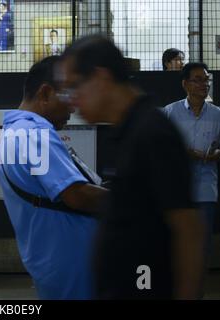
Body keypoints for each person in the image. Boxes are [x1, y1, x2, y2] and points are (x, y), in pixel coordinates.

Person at [62, 35, 204, 299]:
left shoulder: (152, 133)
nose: (71, 99)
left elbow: (187, 231)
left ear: (101, 78)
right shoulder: (126, 131)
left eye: (74, 86)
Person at [0, 55, 108, 299]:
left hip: (53, 260)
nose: (73, 106)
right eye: (69, 95)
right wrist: (134, 200)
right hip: (72, 264)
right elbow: (75, 194)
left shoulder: (15, 131)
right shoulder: (34, 133)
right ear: (45, 93)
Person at [163, 62, 220, 296]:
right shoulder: (169, 112)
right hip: (177, 189)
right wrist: (184, 152)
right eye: (197, 80)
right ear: (185, 84)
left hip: (207, 189)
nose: (203, 84)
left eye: (206, 79)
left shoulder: (217, 114)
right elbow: (161, 145)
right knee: (174, 246)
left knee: (201, 248)